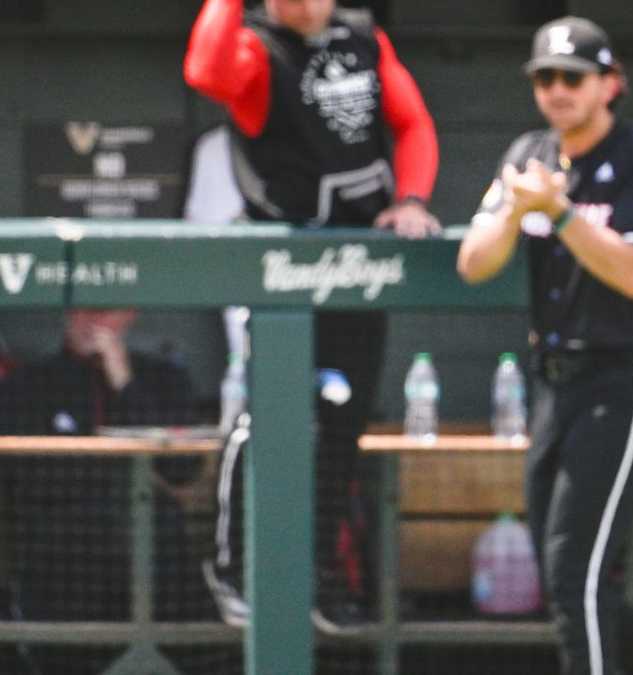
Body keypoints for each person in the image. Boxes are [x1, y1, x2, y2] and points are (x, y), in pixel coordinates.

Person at [456, 16, 633, 675]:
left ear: (610, 83)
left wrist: (562, 213)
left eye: (573, 76)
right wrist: (520, 209)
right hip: (552, 379)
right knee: (562, 565)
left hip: (620, 377)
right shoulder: (527, 154)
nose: (557, 90)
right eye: (545, 77)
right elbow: (473, 262)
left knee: (576, 571)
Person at [183, 0, 441, 624]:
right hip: (286, 266)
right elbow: (206, 73)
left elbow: (414, 125)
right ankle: (235, 568)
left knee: (341, 424)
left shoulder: (362, 36)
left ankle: (320, 575)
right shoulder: (255, 44)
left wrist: (410, 199)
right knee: (265, 417)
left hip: (359, 262)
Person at [0, 309, 209, 674]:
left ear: (128, 315)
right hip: (64, 569)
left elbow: (181, 468)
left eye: (106, 312)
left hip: (155, 568)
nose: (93, 322)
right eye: (84, 310)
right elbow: (22, 479)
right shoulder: (27, 383)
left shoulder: (162, 378)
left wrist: (124, 383)